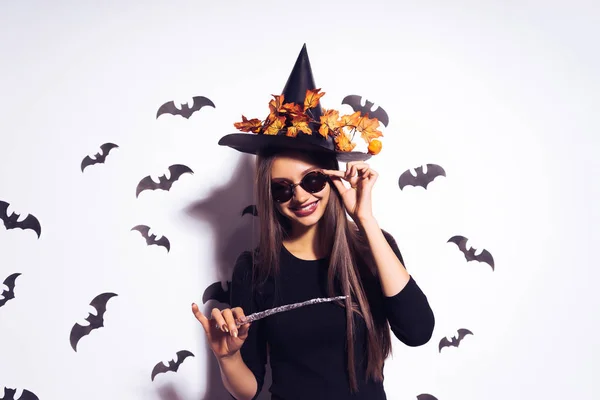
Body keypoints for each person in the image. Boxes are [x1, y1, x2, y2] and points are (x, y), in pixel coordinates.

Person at [191, 44, 435, 400]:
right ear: (269, 195)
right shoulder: (256, 269)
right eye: (283, 189)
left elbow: (417, 331)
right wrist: (226, 357)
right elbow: (250, 389)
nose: (301, 197)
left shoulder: (372, 248)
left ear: (333, 179)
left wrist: (365, 220)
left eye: (313, 181)